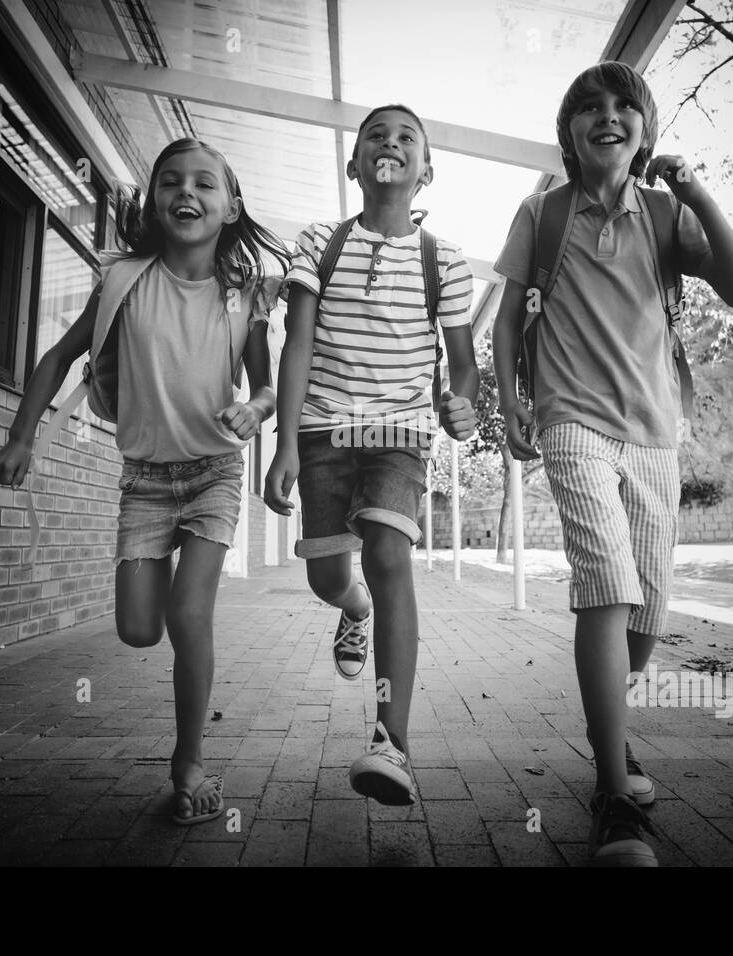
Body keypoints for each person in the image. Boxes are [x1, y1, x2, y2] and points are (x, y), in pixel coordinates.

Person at [492, 63, 733, 865]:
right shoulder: (542, 213)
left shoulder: (668, 214)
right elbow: (507, 322)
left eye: (624, 107)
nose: (608, 116)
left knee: (647, 615)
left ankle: (611, 730)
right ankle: (614, 794)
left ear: (644, 128)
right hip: (573, 422)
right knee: (605, 585)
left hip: (654, 433)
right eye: (590, 109)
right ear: (569, 134)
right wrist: (512, 402)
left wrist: (698, 193)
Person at [0, 138, 289, 826]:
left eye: (205, 184)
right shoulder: (122, 280)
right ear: (154, 201)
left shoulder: (242, 293)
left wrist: (255, 408)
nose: (187, 193)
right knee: (136, 630)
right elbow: (61, 356)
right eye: (171, 182)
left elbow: (269, 386)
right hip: (145, 481)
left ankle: (189, 761)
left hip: (214, 469)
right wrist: (20, 436)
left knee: (190, 617)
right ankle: (184, 735)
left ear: (231, 205)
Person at [264, 105, 476, 805]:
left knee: (388, 556)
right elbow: (296, 344)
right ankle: (350, 610)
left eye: (407, 137)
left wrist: (463, 403)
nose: (391, 144)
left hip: (399, 434)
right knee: (330, 577)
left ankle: (393, 742)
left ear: (426, 173)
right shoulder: (318, 241)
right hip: (325, 430)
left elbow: (462, 363)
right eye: (375, 136)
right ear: (354, 166)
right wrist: (287, 442)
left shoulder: (444, 259)